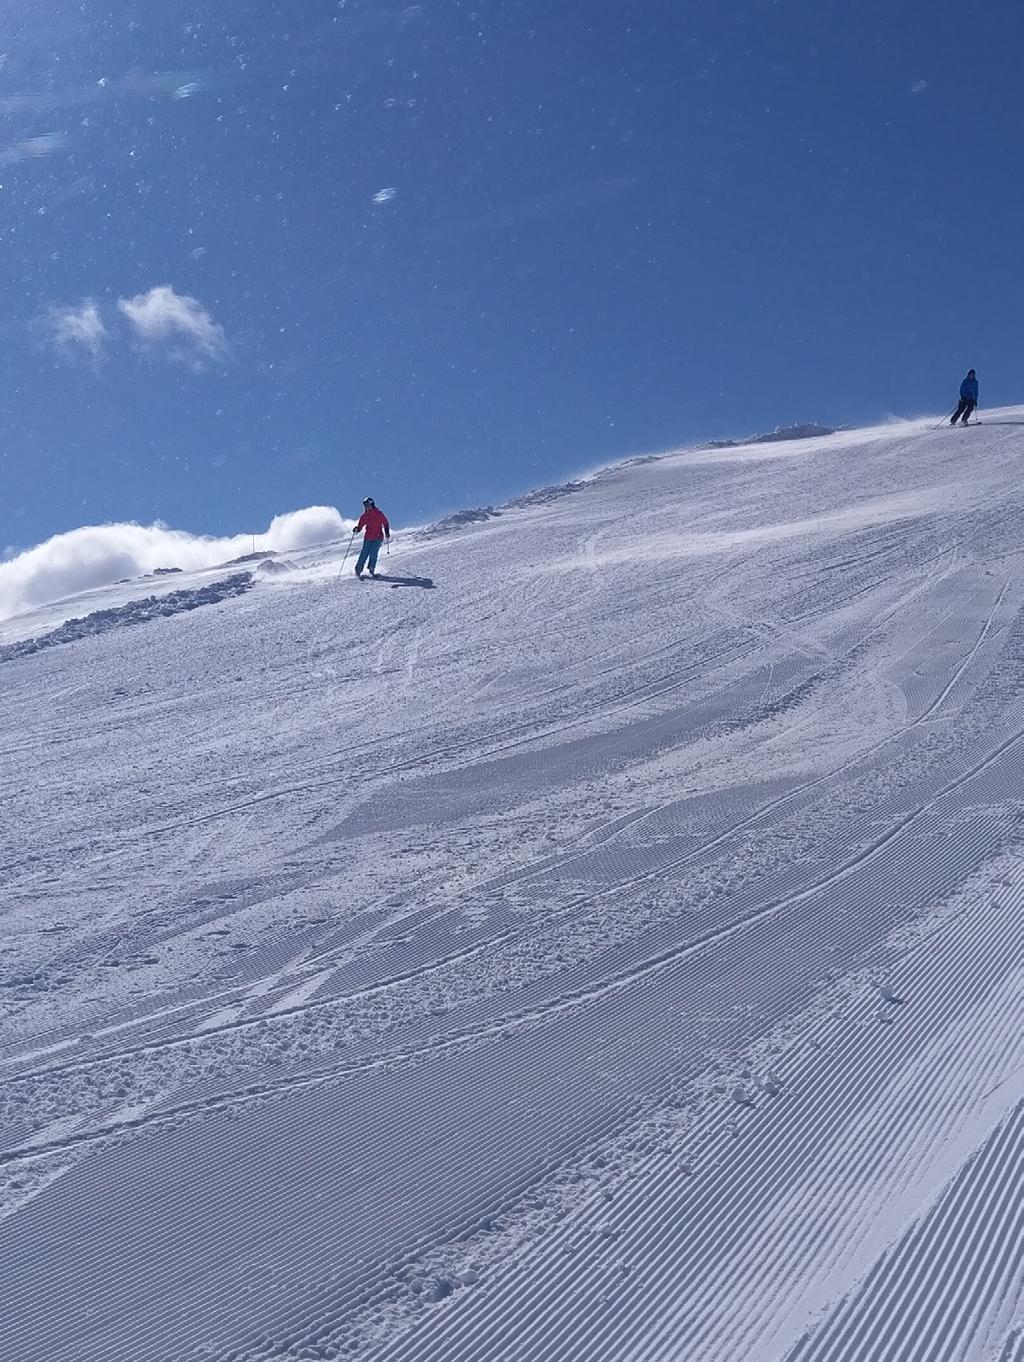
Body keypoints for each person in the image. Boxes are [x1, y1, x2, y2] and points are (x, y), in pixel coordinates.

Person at [352, 496, 390, 578]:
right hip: (368, 537)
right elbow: (360, 526)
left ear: (372, 505)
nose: (366, 507)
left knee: (373, 552)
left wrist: (387, 532)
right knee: (364, 553)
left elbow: (385, 523)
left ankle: (371, 568)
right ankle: (358, 569)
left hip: (378, 537)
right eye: (365, 505)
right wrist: (357, 529)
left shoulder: (378, 513)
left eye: (368, 505)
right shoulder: (364, 516)